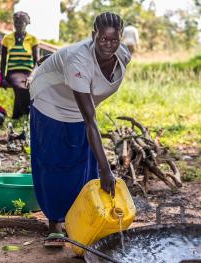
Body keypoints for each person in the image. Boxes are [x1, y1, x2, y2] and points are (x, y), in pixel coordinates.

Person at [29, 12, 131, 247]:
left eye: (114, 40)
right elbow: (90, 120)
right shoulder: (79, 59)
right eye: (103, 39)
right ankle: (54, 223)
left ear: (121, 38)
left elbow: (89, 110)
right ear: (93, 35)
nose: (108, 45)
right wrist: (107, 169)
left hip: (80, 103)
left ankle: (82, 220)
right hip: (50, 100)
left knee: (84, 163)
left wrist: (101, 167)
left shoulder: (123, 55)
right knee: (54, 161)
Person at [0, 11, 39, 119]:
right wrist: (2, 77)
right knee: (22, 87)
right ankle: (28, 114)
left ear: (26, 23)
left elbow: (37, 61)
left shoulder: (33, 39)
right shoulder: (7, 39)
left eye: (21, 22)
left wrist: (32, 76)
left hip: (28, 72)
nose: (18, 25)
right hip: (14, 72)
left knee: (31, 86)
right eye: (16, 22)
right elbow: (3, 61)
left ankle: (16, 117)